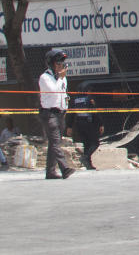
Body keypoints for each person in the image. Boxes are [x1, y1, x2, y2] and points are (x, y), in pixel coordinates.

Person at [39, 49, 73, 180]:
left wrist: (65, 109)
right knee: (55, 142)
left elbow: (63, 94)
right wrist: (61, 77)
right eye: (58, 63)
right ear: (51, 64)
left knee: (54, 143)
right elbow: (54, 91)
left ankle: (50, 172)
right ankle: (64, 168)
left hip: (60, 113)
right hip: (49, 113)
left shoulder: (62, 78)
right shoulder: (45, 77)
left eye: (62, 63)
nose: (61, 66)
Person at [69, 82, 100, 170]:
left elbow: (71, 114)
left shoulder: (74, 99)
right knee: (95, 143)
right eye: (90, 90)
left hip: (79, 124)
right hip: (89, 123)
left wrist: (69, 126)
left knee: (86, 144)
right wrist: (100, 124)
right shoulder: (89, 99)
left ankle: (88, 164)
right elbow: (95, 113)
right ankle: (85, 157)